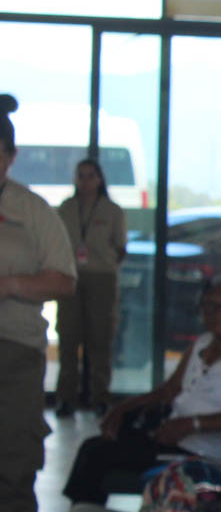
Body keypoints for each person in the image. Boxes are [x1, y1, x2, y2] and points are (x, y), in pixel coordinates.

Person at [63, 277, 221, 505]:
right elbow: (170, 390)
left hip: (209, 456)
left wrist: (191, 424)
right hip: (176, 439)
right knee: (96, 445)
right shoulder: (204, 343)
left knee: (97, 455)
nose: (217, 313)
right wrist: (122, 408)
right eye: (209, 306)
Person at [0, 94, 76, 512]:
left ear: (10, 157)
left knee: (12, 465)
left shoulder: (31, 211)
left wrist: (10, 285)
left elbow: (64, 280)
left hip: (14, 353)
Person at [55, 155, 127, 414]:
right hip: (70, 278)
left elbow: (121, 248)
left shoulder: (112, 210)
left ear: (99, 180)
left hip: (101, 278)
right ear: (75, 179)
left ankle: (100, 396)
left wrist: (105, 265)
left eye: (91, 176)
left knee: (100, 338)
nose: (85, 181)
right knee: (68, 337)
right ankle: (66, 397)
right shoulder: (65, 208)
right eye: (81, 176)